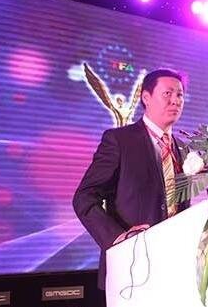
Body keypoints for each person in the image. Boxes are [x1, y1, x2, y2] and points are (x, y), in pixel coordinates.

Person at [73, 68, 188, 290]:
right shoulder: (120, 140)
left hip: (175, 268)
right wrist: (118, 239)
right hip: (131, 268)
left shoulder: (183, 148)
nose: (175, 100)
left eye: (180, 95)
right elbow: (84, 197)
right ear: (146, 97)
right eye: (168, 93)